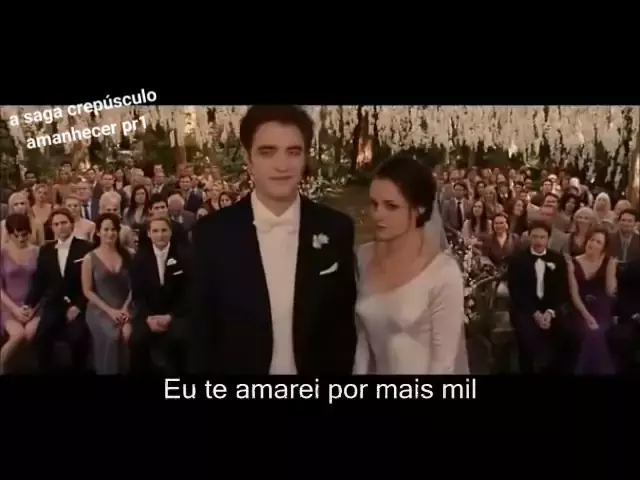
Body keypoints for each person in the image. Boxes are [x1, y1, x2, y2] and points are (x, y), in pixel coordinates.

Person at [189, 105, 357, 375]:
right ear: (249, 158)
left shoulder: (336, 228)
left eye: (293, 151)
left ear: (305, 157)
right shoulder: (212, 233)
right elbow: (201, 334)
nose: (282, 165)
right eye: (268, 152)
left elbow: (343, 329)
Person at [353, 152, 468, 374]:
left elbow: (444, 363)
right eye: (374, 204)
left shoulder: (442, 272)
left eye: (391, 206)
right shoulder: (364, 257)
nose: (378, 215)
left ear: (419, 208)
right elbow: (363, 341)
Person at [23, 208, 93, 372]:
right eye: (56, 224)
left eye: (64, 223)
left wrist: (79, 306)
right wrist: (28, 304)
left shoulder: (86, 248)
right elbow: (39, 281)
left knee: (78, 337)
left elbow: (92, 282)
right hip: (54, 303)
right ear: (52, 228)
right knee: (41, 336)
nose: (60, 227)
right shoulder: (46, 250)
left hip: (79, 303)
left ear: (71, 224)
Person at [507, 220, 570, 373]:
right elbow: (516, 291)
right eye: (535, 237)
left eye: (542, 237)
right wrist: (535, 313)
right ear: (529, 237)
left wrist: (550, 312)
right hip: (525, 308)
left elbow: (561, 289)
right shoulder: (517, 259)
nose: (538, 241)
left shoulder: (558, 259)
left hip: (550, 309)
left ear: (548, 238)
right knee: (527, 332)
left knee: (564, 331)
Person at [129, 217, 190, 374]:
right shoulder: (139, 259)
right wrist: (149, 317)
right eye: (155, 231)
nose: (160, 235)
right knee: (136, 340)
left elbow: (187, 292)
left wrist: (170, 316)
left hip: (176, 313)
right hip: (148, 314)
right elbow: (138, 294)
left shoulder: (184, 256)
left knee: (179, 339)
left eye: (164, 230)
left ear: (170, 232)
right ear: (149, 234)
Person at [82, 213, 133, 374]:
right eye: (106, 229)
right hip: (100, 308)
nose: (110, 233)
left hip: (126, 306)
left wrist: (125, 309)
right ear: (98, 232)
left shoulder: (129, 255)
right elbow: (87, 290)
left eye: (113, 230)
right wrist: (110, 311)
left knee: (127, 335)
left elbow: (134, 287)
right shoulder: (89, 258)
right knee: (112, 336)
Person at [567, 226, 617, 374]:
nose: (593, 244)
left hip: (601, 309)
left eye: (598, 242)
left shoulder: (608, 262)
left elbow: (610, 291)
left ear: (604, 248)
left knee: (595, 332)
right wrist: (587, 316)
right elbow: (574, 294)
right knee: (592, 332)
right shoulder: (573, 262)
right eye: (591, 240)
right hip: (579, 308)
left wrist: (611, 269)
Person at [0, 214, 40, 369]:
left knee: (30, 333)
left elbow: (43, 285)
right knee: (18, 335)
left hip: (33, 306)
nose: (21, 239)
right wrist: (15, 310)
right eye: (16, 236)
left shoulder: (37, 251)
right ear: (9, 234)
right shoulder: (2, 253)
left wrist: (33, 308)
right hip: (9, 306)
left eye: (24, 235)